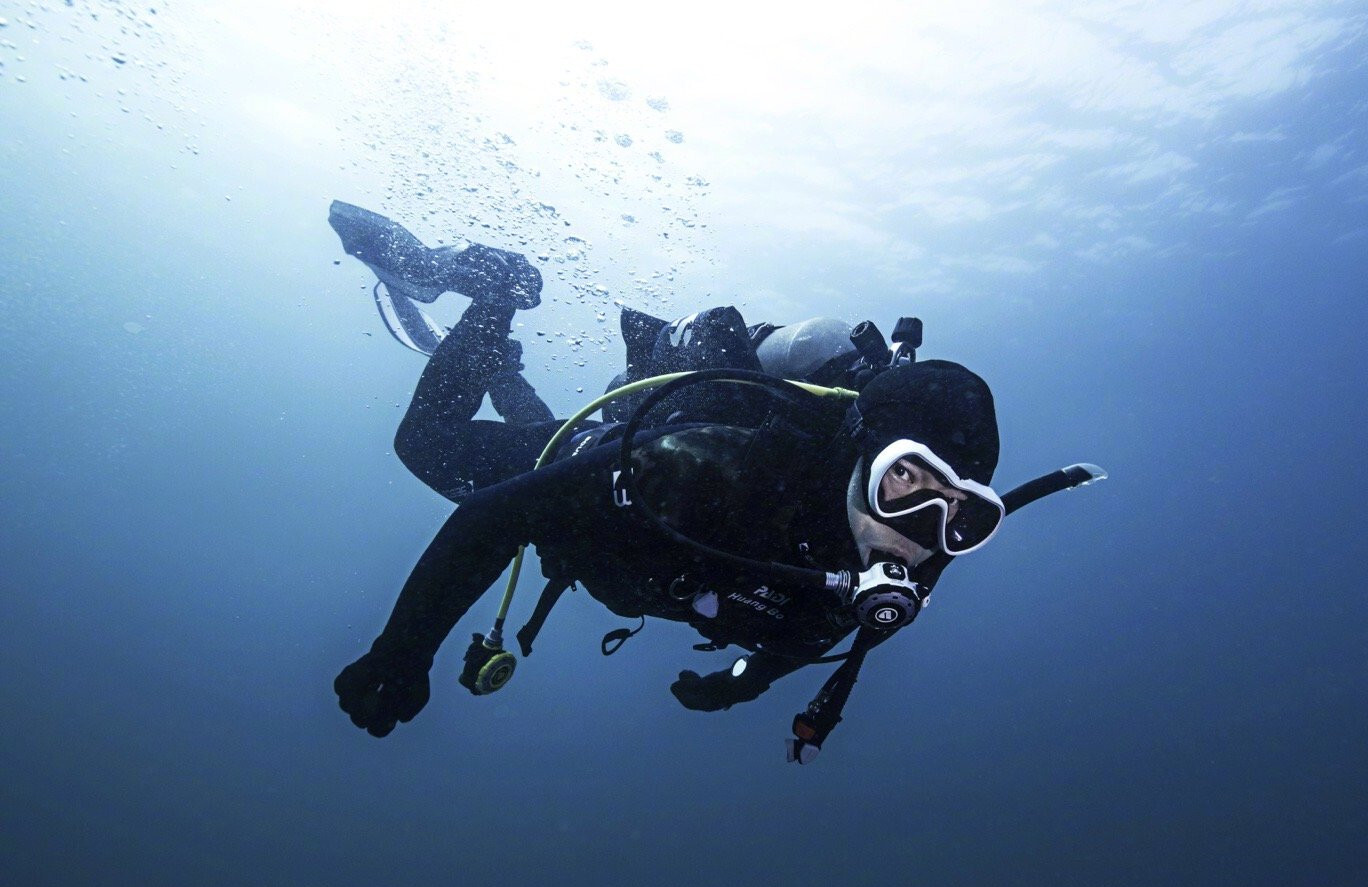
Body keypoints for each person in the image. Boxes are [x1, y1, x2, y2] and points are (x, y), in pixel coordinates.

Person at [328, 201, 1099, 762]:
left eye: (963, 517)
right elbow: (498, 516)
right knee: (429, 447)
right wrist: (404, 651)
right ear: (861, 454)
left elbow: (815, 629)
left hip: (612, 543)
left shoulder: (902, 571)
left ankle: (492, 353)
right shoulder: (716, 466)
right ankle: (492, 291)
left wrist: (742, 683)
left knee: (547, 454)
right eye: (909, 482)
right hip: (614, 498)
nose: (919, 531)